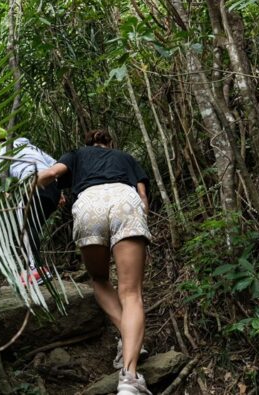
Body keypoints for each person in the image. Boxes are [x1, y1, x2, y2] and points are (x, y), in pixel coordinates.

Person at [37, 129, 152, 395]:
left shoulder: (77, 154)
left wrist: (26, 186)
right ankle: (130, 379)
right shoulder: (124, 157)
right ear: (110, 143)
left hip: (89, 204)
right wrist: (141, 219)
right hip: (125, 200)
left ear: (88, 143)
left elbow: (51, 175)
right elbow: (143, 196)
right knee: (131, 292)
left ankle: (126, 338)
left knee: (99, 279)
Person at [0, 137, 64, 285]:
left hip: (32, 184)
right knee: (33, 225)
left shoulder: (4, 150)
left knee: (26, 225)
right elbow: (56, 165)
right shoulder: (33, 148)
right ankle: (37, 266)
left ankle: (36, 269)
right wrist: (60, 192)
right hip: (51, 187)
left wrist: (0, 195)